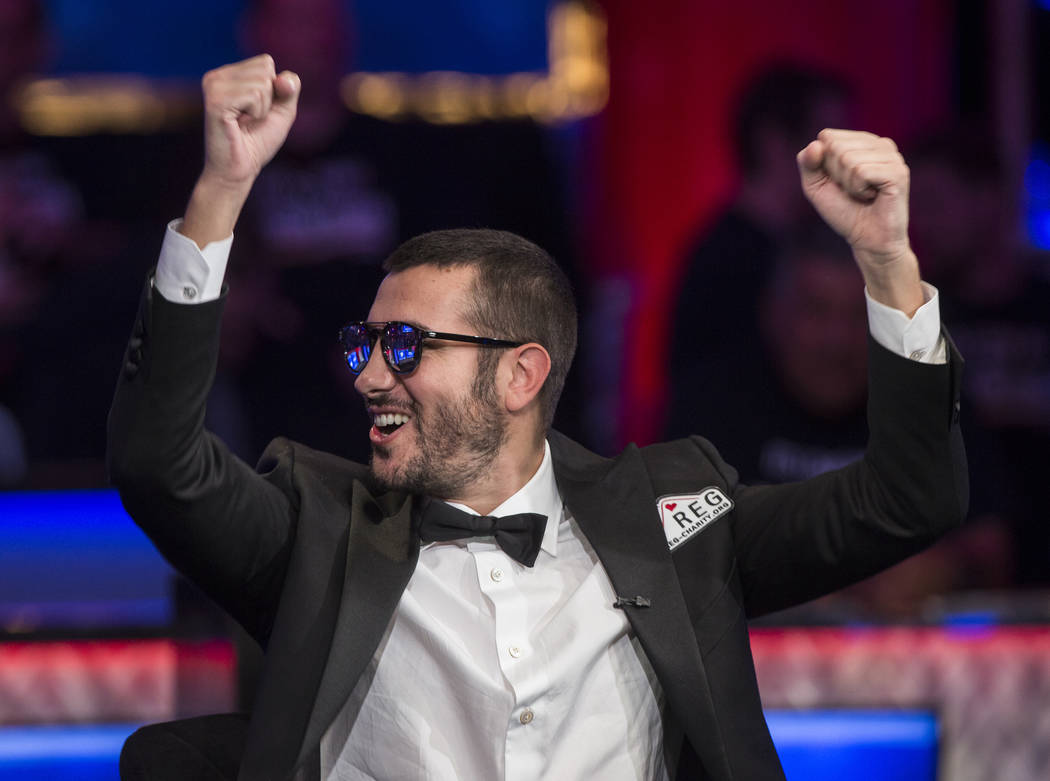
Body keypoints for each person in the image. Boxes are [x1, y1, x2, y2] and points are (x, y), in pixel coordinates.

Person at [109, 56, 967, 781]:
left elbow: (908, 499)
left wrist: (887, 261)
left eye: (405, 346)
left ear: (521, 374)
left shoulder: (679, 517)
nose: (369, 374)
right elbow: (160, 463)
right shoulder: (313, 529)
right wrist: (220, 193)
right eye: (364, 344)